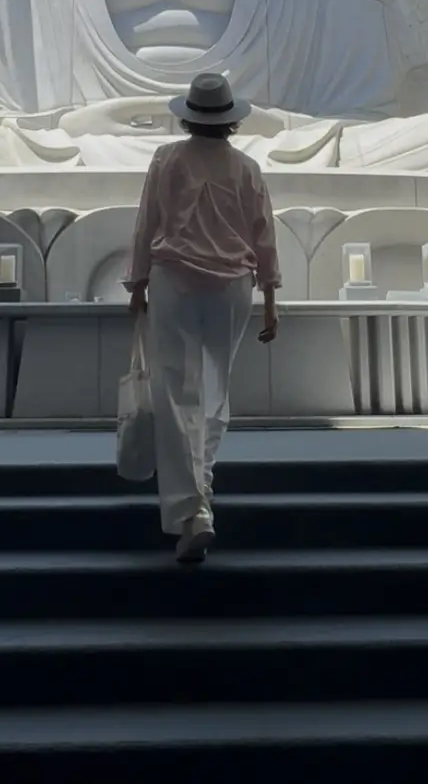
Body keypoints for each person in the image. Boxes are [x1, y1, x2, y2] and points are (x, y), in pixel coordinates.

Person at [125, 70, 281, 564]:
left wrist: (138, 282)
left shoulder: (166, 158)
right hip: (232, 287)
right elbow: (264, 234)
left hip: (174, 281)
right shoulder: (247, 168)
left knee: (175, 393)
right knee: (215, 390)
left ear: (188, 116)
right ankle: (202, 493)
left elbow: (146, 221)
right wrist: (270, 298)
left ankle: (192, 509)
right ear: (230, 119)